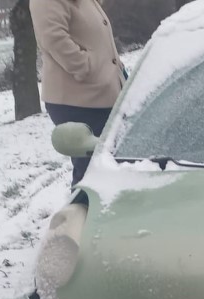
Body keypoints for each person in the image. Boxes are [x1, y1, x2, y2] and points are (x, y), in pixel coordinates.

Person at [30, 0, 126, 186]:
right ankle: (83, 212)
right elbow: (53, 38)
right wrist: (85, 67)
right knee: (92, 173)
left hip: (101, 93)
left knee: (110, 167)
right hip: (77, 100)